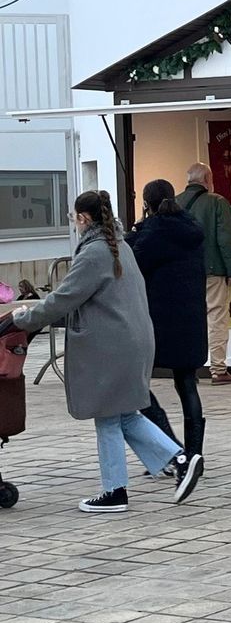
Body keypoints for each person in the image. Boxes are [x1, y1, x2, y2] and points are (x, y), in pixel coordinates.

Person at [0, 191, 201, 511]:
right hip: (131, 341)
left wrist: (21, 319)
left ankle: (115, 491)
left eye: (73, 218)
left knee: (108, 417)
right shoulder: (119, 246)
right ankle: (178, 460)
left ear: (83, 218)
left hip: (110, 346)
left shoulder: (95, 253)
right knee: (123, 414)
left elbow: (64, 298)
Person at [129, 180, 209, 479]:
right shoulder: (191, 227)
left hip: (159, 321)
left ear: (147, 204)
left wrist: (132, 233)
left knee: (137, 385)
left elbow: (135, 262)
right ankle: (195, 454)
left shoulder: (153, 232)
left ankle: (174, 451)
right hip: (191, 319)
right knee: (187, 384)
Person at [178, 163, 231, 385]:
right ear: (208, 178)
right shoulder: (217, 202)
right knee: (216, 318)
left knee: (189, 320)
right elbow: (225, 239)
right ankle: (218, 369)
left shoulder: (175, 203)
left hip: (184, 273)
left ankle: (188, 370)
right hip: (212, 268)